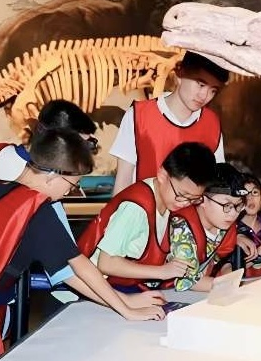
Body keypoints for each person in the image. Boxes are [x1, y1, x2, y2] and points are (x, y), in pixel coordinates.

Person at [0, 127, 165, 361]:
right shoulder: (36, 209)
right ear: (52, 176)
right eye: (72, 185)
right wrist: (127, 311)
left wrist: (125, 301)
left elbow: (68, 273)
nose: (69, 193)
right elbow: (80, 267)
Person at [78, 142, 216, 291]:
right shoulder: (136, 208)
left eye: (193, 199)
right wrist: (162, 272)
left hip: (123, 286)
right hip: (90, 288)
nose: (184, 203)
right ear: (162, 175)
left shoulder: (168, 201)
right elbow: (106, 263)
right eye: (182, 195)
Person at [110, 51, 229, 195]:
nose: (204, 96)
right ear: (180, 74)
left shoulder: (212, 123)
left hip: (194, 209)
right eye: (201, 85)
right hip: (146, 207)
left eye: (213, 91)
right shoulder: (138, 115)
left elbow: (215, 184)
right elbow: (123, 182)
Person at [168, 163, 247, 292]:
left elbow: (218, 262)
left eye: (239, 205)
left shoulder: (224, 226)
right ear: (202, 199)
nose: (233, 213)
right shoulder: (182, 228)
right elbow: (186, 282)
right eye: (226, 205)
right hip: (168, 293)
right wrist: (237, 286)